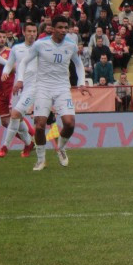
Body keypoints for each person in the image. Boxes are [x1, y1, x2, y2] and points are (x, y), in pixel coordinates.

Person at [23, 14, 85, 171]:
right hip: (43, 87)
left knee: (70, 124)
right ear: (52, 29)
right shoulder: (40, 44)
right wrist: (20, 80)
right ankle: (40, 160)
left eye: (66, 28)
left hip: (62, 87)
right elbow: (24, 61)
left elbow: (79, 64)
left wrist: (81, 83)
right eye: (60, 27)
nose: (64, 31)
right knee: (39, 126)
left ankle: (61, 148)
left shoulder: (71, 45)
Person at [0, 22, 39, 158]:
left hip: (32, 87)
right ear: (23, 32)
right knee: (18, 118)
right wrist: (5, 72)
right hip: (17, 86)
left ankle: (5, 147)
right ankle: (28, 143)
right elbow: (9, 64)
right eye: (30, 31)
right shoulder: (16, 48)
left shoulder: (41, 48)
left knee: (15, 115)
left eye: (34, 31)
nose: (32, 34)